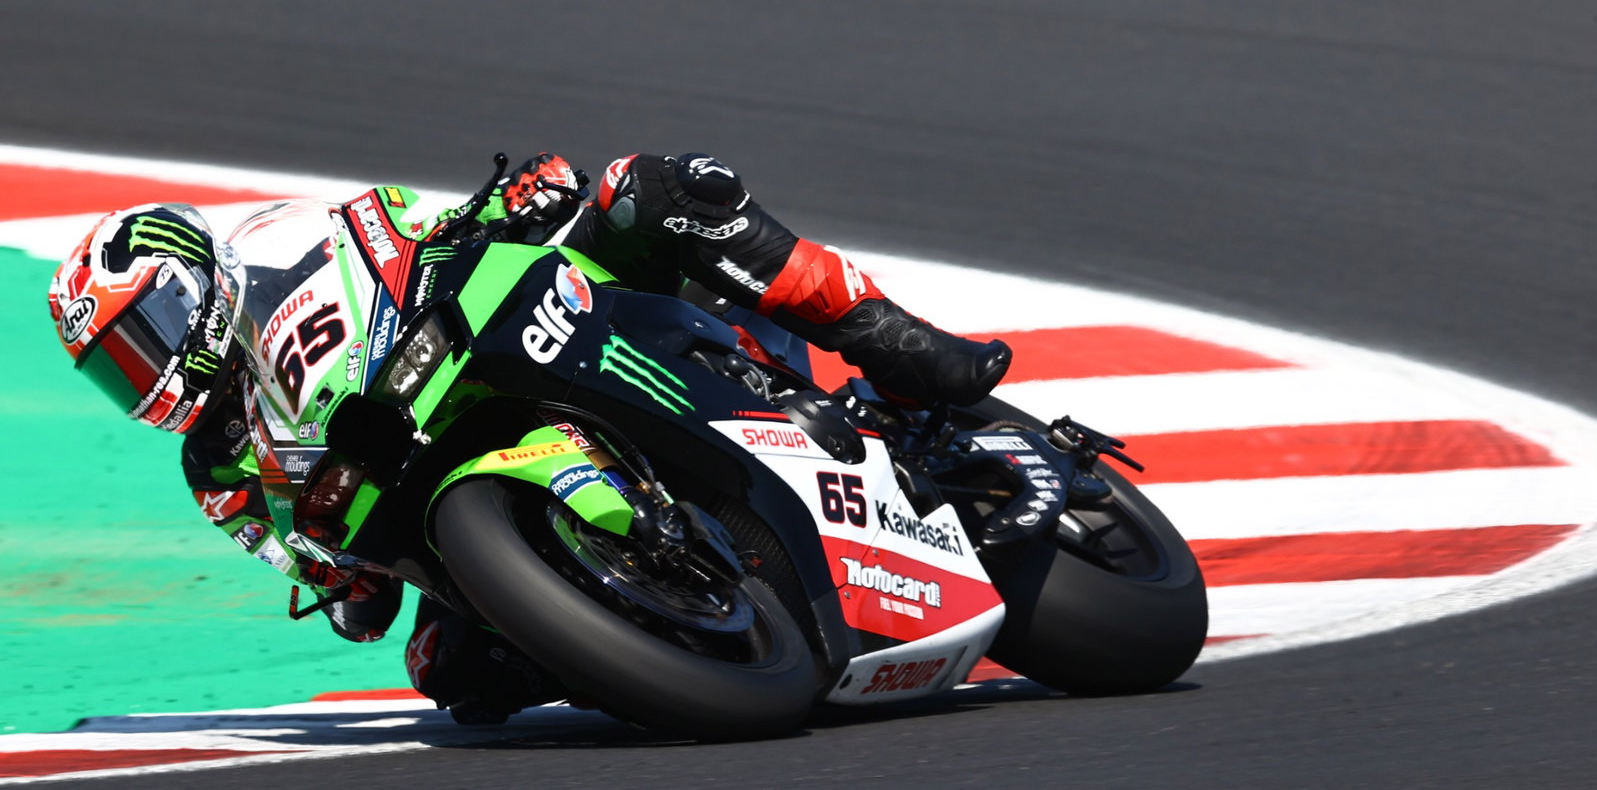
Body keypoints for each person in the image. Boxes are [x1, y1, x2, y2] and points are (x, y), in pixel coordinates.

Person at [46, 152, 1012, 723]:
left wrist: (518, 203)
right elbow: (336, 587)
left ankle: (904, 348)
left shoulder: (284, 242)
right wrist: (342, 584)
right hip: (435, 491)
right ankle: (664, 632)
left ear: (184, 287)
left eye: (139, 342)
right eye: (112, 372)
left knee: (655, 188)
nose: (141, 374)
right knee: (454, 683)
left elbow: (416, 229)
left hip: (488, 343)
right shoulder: (214, 470)